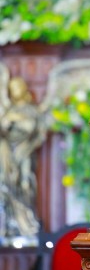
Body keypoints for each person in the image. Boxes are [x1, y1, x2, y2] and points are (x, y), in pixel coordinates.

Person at [0, 77, 46, 243]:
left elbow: (39, 132)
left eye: (17, 87)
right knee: (8, 186)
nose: (15, 91)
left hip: (25, 153)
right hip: (7, 154)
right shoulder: (8, 110)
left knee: (26, 185)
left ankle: (27, 223)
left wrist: (17, 124)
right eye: (12, 88)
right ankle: (12, 224)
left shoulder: (31, 110)